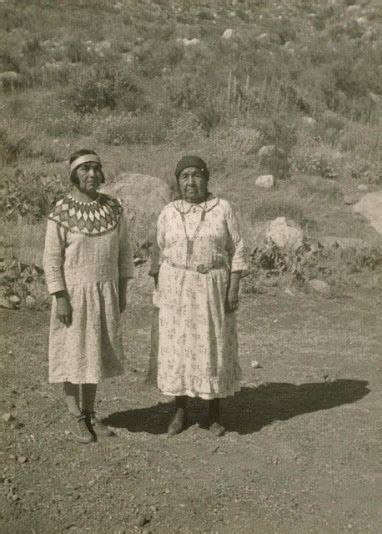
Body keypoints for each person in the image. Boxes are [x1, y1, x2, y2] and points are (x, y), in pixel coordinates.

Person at [151, 155, 248, 437]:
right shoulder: (169, 212)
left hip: (211, 287)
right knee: (179, 348)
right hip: (176, 289)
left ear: (206, 178)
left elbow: (238, 248)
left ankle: (213, 413)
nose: (191, 182)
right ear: (177, 182)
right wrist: (161, 290)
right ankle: (180, 411)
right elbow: (158, 251)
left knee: (211, 345)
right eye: (184, 177)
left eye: (196, 175)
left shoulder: (223, 209)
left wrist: (233, 287)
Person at [43, 149, 134, 443]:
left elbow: (124, 254)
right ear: (74, 175)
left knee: (94, 354)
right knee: (72, 354)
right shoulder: (61, 212)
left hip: (104, 292)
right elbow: (51, 259)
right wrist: (60, 297)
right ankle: (77, 416)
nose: (91, 174)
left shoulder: (113, 209)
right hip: (73, 295)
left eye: (96, 168)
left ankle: (91, 411)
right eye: (84, 169)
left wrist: (122, 291)